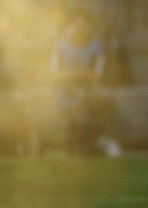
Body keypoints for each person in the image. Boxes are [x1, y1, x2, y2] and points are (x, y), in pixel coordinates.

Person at [50, 9, 122, 158]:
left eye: (83, 24)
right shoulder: (60, 47)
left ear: (89, 27)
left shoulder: (96, 48)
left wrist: (74, 74)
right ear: (69, 27)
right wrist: (78, 74)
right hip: (65, 92)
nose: (79, 28)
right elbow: (55, 74)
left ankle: (100, 142)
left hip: (88, 93)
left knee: (99, 105)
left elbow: (95, 75)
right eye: (75, 24)